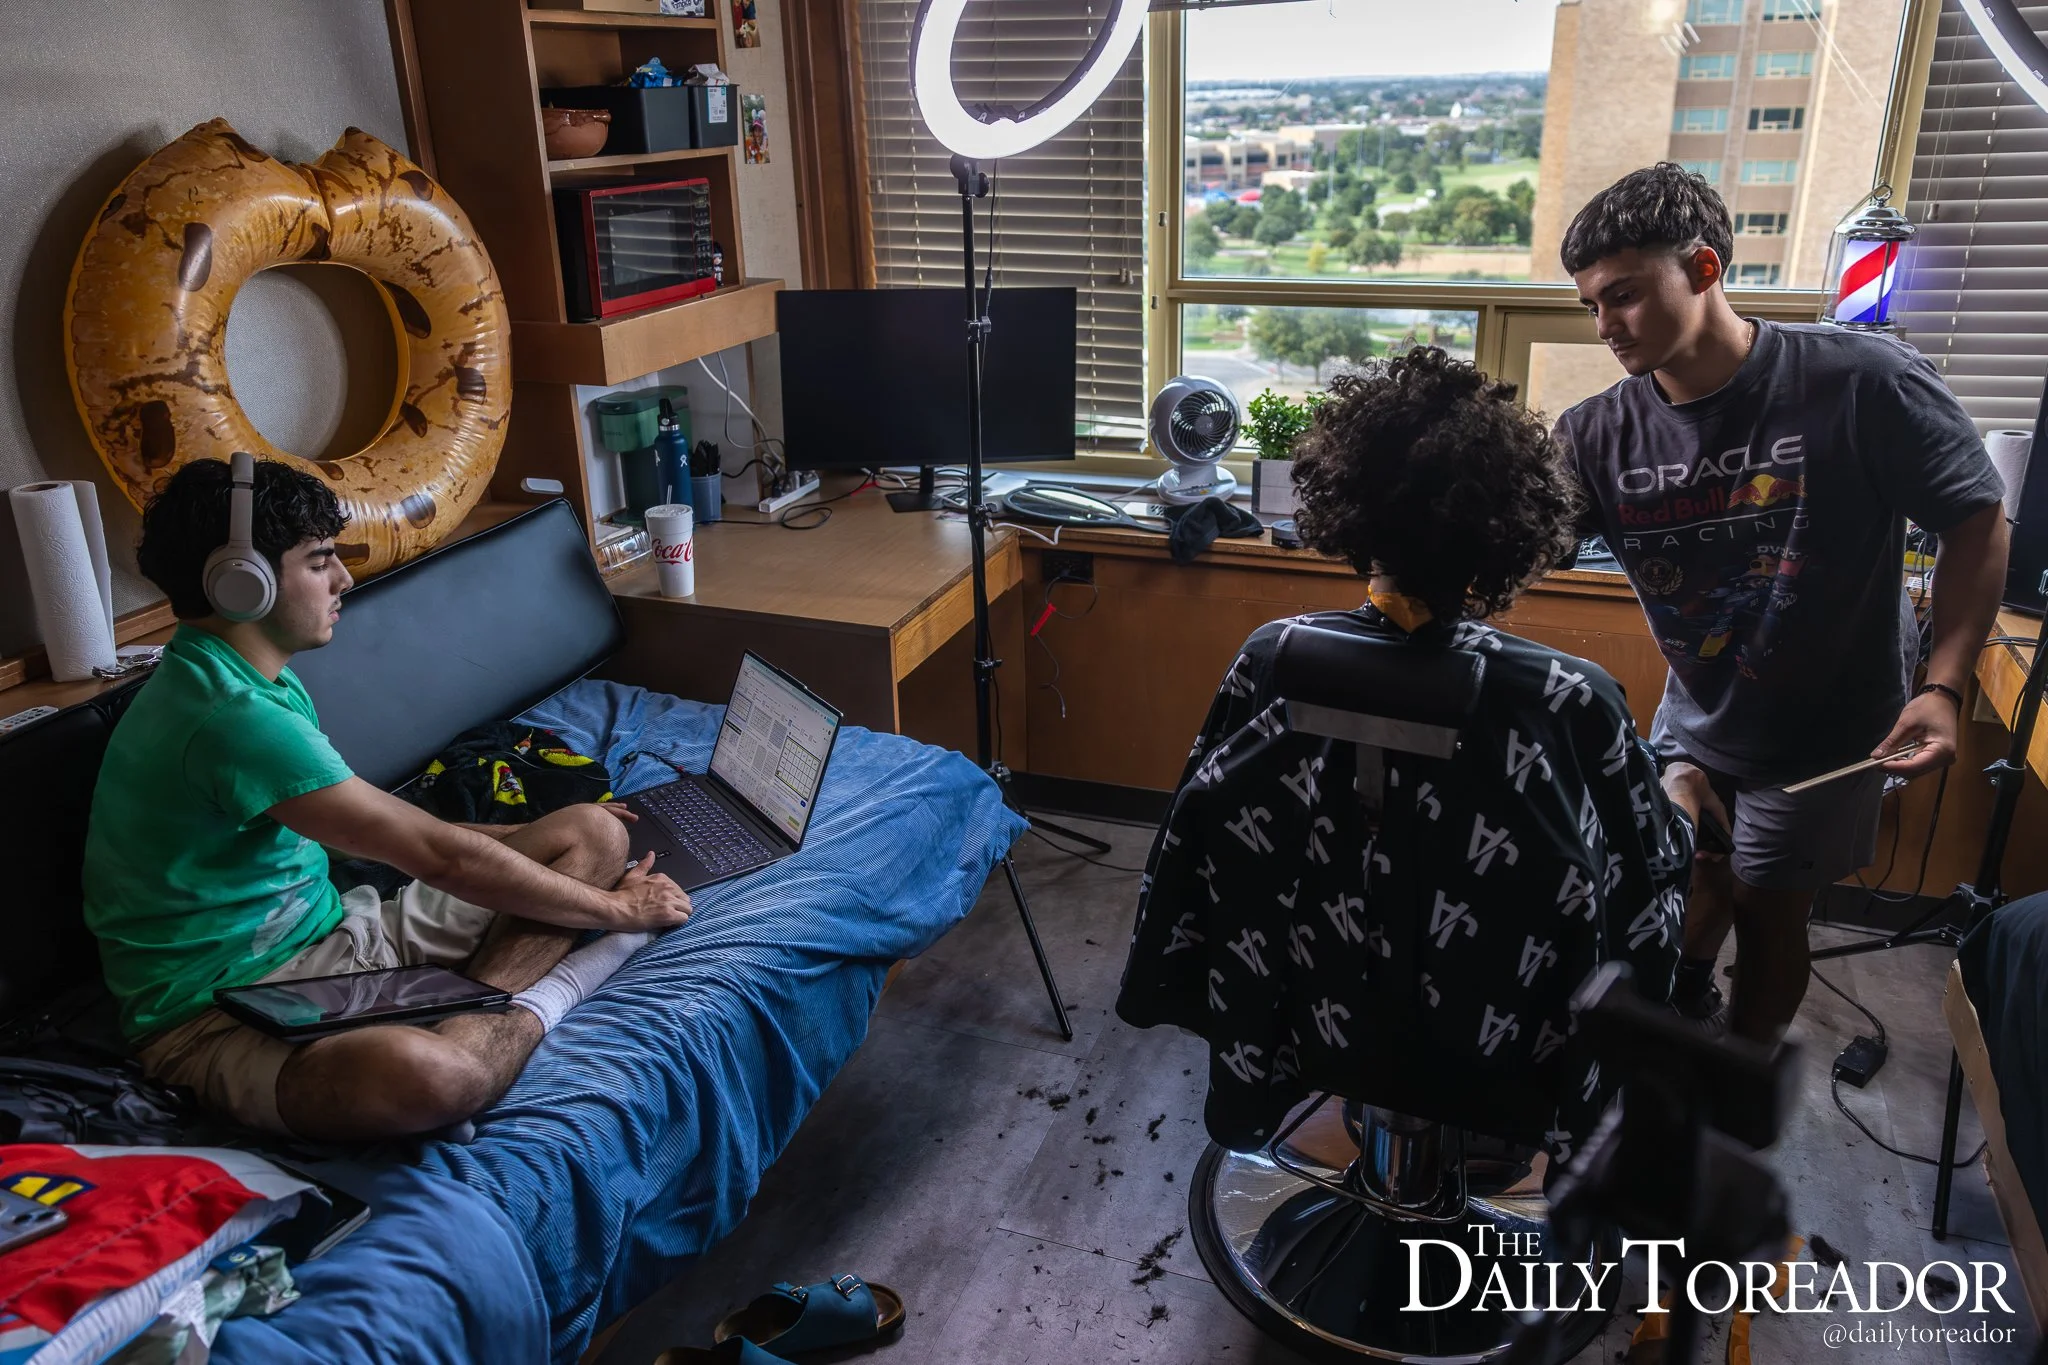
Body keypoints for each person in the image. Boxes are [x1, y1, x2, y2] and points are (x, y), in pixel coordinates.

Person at [1117, 347, 1692, 1167]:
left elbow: (1192, 849)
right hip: (1497, 1020)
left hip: (1310, 995)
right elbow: (1646, 875)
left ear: (1348, 505)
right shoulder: (1570, 695)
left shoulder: (1275, 654)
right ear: (1511, 526)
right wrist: (1686, 790)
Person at [84, 459, 691, 1141]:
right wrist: (615, 910)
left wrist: (529, 835)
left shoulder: (252, 678)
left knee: (591, 835)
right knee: (430, 1078)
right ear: (240, 583)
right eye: (319, 562)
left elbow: (354, 830)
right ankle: (542, 1000)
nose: (343, 579)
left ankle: (473, 1019)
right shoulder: (229, 715)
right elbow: (438, 856)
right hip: (217, 1013)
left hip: (338, 936)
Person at [1555, 163, 2009, 1043]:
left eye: (1625, 296)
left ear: (1705, 269)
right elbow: (1514, 542)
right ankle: (1686, 1002)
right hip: (1698, 713)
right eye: (1591, 306)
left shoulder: (1860, 379)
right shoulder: (1595, 433)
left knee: (1769, 909)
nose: (1606, 325)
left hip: (1833, 732)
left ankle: (1739, 1084)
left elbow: (1979, 519)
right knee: (1689, 877)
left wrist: (1944, 685)